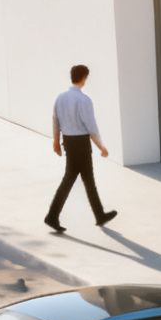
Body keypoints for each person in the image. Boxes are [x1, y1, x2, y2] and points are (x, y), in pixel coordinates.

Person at [46, 64, 118, 232]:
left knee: (83, 179)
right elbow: (91, 126)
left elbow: (55, 120)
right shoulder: (84, 100)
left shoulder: (60, 97)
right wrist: (101, 146)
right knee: (76, 179)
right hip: (81, 144)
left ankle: (98, 215)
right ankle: (52, 215)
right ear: (84, 78)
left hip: (69, 142)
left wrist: (56, 142)